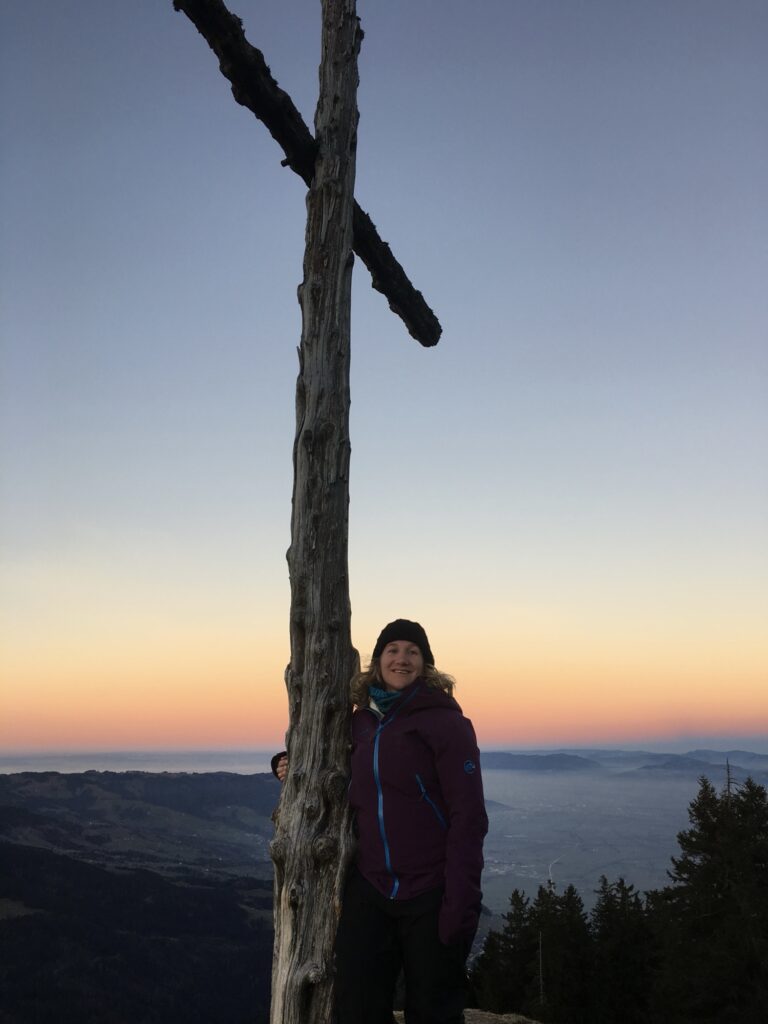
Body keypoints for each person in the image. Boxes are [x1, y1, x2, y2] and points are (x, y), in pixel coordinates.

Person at [272, 618, 488, 1024]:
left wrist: (460, 901)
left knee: (434, 1009)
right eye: (392, 650)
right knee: (357, 1007)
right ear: (376, 661)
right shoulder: (360, 723)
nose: (402, 658)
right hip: (371, 888)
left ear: (426, 665)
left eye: (412, 652)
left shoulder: (446, 724)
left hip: (430, 889)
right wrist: (285, 763)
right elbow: (325, 762)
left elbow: (469, 817)